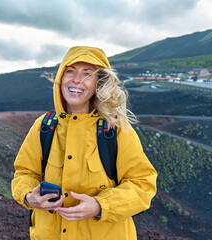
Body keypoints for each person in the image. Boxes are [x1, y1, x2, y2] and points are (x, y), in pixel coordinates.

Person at [11, 46, 157, 240]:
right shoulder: (44, 126)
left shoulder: (115, 129)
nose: (76, 80)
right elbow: (24, 173)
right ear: (61, 77)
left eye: (87, 74)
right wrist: (30, 195)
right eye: (70, 71)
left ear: (99, 84)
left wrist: (100, 206)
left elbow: (143, 184)